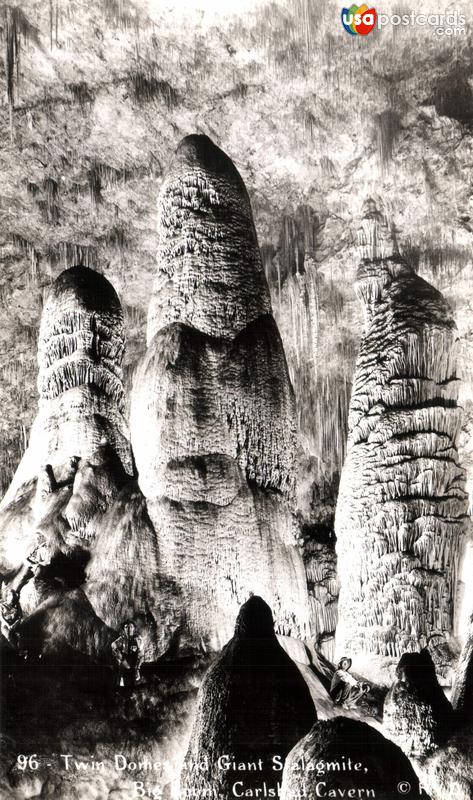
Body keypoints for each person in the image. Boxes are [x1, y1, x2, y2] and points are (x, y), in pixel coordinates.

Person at [111, 621, 143, 688]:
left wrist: (137, 668)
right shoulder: (122, 638)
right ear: (124, 629)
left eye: (131, 627)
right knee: (120, 683)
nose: (129, 629)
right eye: (126, 627)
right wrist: (117, 650)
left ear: (134, 628)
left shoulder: (137, 639)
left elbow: (141, 654)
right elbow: (113, 644)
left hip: (134, 663)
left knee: (135, 684)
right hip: (124, 661)